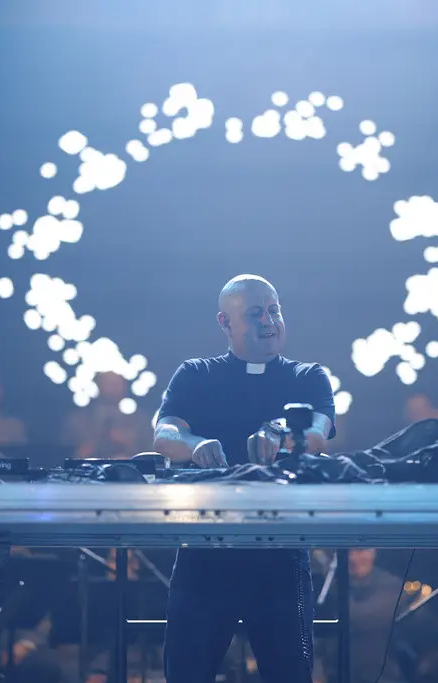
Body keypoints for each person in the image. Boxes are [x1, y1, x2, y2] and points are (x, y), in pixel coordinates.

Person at [152, 274, 336, 683]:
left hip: (281, 557)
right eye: (255, 313)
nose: (269, 320)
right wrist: (194, 443)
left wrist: (280, 432)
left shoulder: (308, 377)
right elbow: (164, 434)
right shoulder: (195, 374)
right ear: (225, 323)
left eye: (274, 310)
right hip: (204, 553)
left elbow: (318, 434)